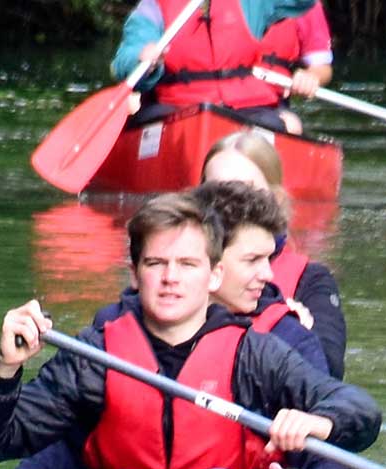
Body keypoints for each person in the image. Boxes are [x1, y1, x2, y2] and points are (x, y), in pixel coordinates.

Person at [0, 193, 380, 469]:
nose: (170, 278)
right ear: (136, 274)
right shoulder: (95, 353)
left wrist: (317, 424)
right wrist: (4, 369)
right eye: (156, 264)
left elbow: (360, 413)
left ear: (213, 276)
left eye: (187, 265)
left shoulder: (256, 353)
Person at [202, 131, 348, 378]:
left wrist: (290, 330)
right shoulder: (170, 272)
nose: (227, 205)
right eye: (215, 190)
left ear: (276, 199)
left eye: (244, 191)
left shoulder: (311, 280)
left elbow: (328, 374)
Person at [113, 0, 319, 133]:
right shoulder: (152, 7)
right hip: (175, 107)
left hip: (245, 107)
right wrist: (142, 59)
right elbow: (125, 60)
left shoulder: (252, 4)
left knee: (285, 125)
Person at [255, 1, 335, 134]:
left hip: (269, 102)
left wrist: (311, 76)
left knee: (292, 126)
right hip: (216, 95)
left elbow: (322, 68)